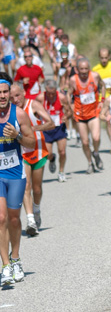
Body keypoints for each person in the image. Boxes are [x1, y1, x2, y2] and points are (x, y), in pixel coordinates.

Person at [0, 73, 36, 286]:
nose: (2, 96)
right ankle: (5, 266)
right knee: (1, 218)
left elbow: (31, 143)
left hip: (15, 172)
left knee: (14, 219)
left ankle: (15, 259)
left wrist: (18, 136)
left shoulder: (19, 114)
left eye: (5, 92)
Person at [10, 84, 54, 237]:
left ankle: (36, 209)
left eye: (18, 95)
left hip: (38, 151)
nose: (15, 100)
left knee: (37, 189)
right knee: (26, 186)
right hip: (22, 154)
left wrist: (32, 128)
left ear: (23, 93)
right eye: (12, 97)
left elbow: (50, 122)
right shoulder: (11, 112)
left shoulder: (33, 105)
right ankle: (31, 222)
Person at [69, 57, 105, 173]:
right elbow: (68, 95)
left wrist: (102, 100)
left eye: (86, 68)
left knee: (96, 137)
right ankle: (90, 163)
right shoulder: (73, 80)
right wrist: (72, 108)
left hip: (93, 112)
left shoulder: (94, 76)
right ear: (77, 69)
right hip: (80, 115)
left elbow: (103, 86)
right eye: (81, 69)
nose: (84, 71)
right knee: (85, 142)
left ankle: (96, 152)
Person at [36, 80, 72, 182]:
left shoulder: (61, 97)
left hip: (59, 127)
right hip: (46, 129)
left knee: (63, 151)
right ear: (45, 90)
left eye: (53, 93)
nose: (51, 95)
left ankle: (61, 172)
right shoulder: (40, 98)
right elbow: (34, 112)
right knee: (47, 154)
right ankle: (52, 159)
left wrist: (66, 116)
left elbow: (70, 111)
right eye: (49, 93)